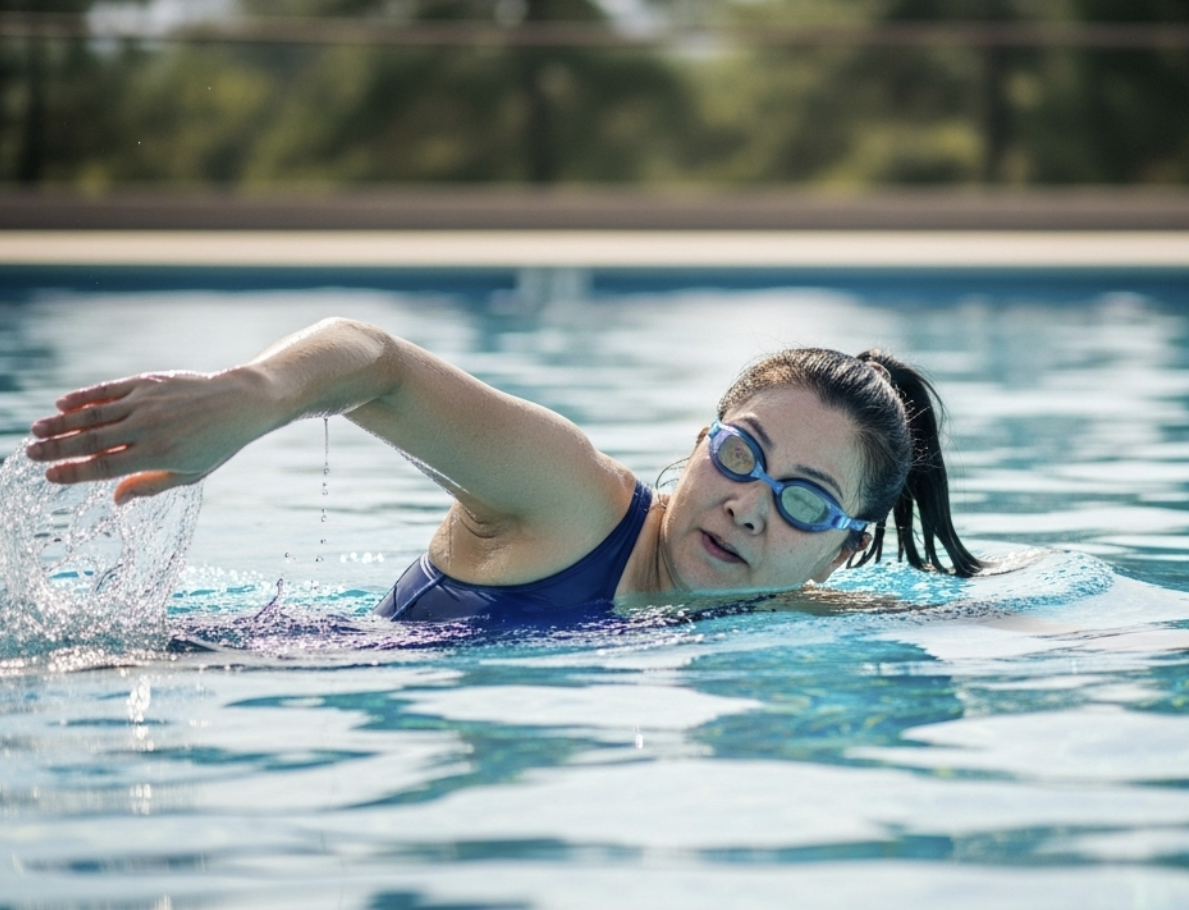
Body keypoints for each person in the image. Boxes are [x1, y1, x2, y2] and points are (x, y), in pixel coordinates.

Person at [26, 316, 980, 624]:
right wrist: (254, 393)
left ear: (838, 552)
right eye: (739, 455)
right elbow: (378, 362)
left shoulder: (794, 606)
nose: (745, 506)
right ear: (699, 445)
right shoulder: (572, 502)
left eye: (803, 500)